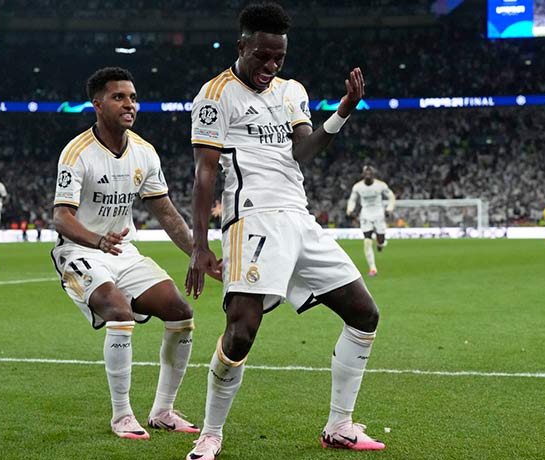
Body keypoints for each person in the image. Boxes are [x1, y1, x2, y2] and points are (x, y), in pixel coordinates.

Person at [186, 3, 384, 459]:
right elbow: (204, 173)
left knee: (364, 314)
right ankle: (210, 434)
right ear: (242, 46)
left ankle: (339, 425)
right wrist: (199, 245)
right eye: (262, 57)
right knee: (242, 331)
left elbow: (305, 152)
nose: (270, 67)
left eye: (278, 58)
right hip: (251, 218)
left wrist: (342, 112)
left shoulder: (292, 90)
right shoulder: (215, 95)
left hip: (299, 216)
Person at [51, 67, 220, 440]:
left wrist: (199, 252)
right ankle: (122, 415)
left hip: (122, 251)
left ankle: (163, 410)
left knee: (181, 311)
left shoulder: (144, 152)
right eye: (119, 97)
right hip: (80, 252)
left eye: (132, 97)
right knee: (118, 308)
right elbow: (61, 217)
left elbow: (166, 213)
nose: (130, 105)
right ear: (97, 104)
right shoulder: (77, 153)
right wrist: (97, 241)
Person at [346, 165, 395, 276]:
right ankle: (373, 269)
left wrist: (389, 209)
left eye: (370, 173)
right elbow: (352, 200)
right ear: (363, 174)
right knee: (367, 241)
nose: (368, 175)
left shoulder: (381, 185)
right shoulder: (357, 187)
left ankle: (380, 244)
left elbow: (391, 197)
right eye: (366, 173)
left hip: (378, 214)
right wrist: (349, 210)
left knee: (381, 240)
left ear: (373, 174)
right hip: (366, 214)